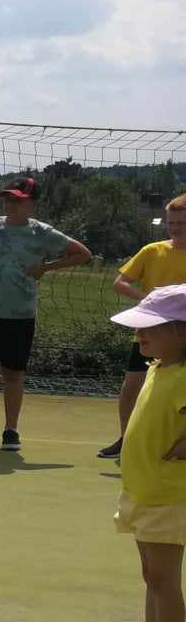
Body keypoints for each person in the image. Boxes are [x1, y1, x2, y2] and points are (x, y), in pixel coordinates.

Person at [0, 177, 91, 451]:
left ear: (33, 204)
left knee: (13, 374)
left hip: (21, 315)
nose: (10, 204)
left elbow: (82, 254)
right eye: (8, 199)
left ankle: (11, 432)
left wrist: (46, 268)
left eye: (17, 200)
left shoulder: (42, 233)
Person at [97, 283, 186, 622]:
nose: (139, 335)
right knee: (153, 577)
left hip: (171, 496)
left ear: (182, 331)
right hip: (145, 492)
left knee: (164, 581)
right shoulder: (159, 367)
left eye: (149, 328)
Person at [98, 194, 186, 459]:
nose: (176, 227)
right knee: (132, 386)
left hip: (181, 337)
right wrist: (147, 303)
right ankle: (128, 439)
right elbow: (119, 283)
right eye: (172, 222)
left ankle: (173, 445)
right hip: (152, 333)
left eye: (182, 222)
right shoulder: (152, 250)